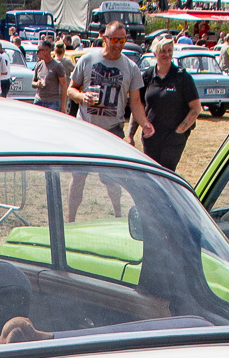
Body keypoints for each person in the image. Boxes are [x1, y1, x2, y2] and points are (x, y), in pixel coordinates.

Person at [66, 21, 152, 221]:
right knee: (78, 178)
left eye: (122, 40)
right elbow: (71, 89)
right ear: (104, 38)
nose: (118, 45)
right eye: (114, 40)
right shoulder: (87, 60)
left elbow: (136, 102)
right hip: (86, 129)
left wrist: (145, 123)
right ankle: (70, 220)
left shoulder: (131, 68)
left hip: (112, 130)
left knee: (112, 179)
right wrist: (82, 97)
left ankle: (118, 216)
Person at [137, 34, 197, 171]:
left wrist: (179, 131)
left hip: (173, 140)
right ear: (155, 53)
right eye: (163, 51)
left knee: (166, 175)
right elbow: (138, 105)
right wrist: (132, 133)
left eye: (169, 50)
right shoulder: (148, 76)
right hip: (151, 138)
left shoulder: (182, 77)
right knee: (151, 174)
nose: (167, 54)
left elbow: (195, 108)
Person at [32, 37, 65, 109]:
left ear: (45, 51)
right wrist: (37, 84)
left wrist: (63, 106)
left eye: (38, 51)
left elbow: (64, 86)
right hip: (38, 100)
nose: (36, 53)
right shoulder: (39, 64)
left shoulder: (57, 65)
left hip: (52, 103)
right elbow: (33, 83)